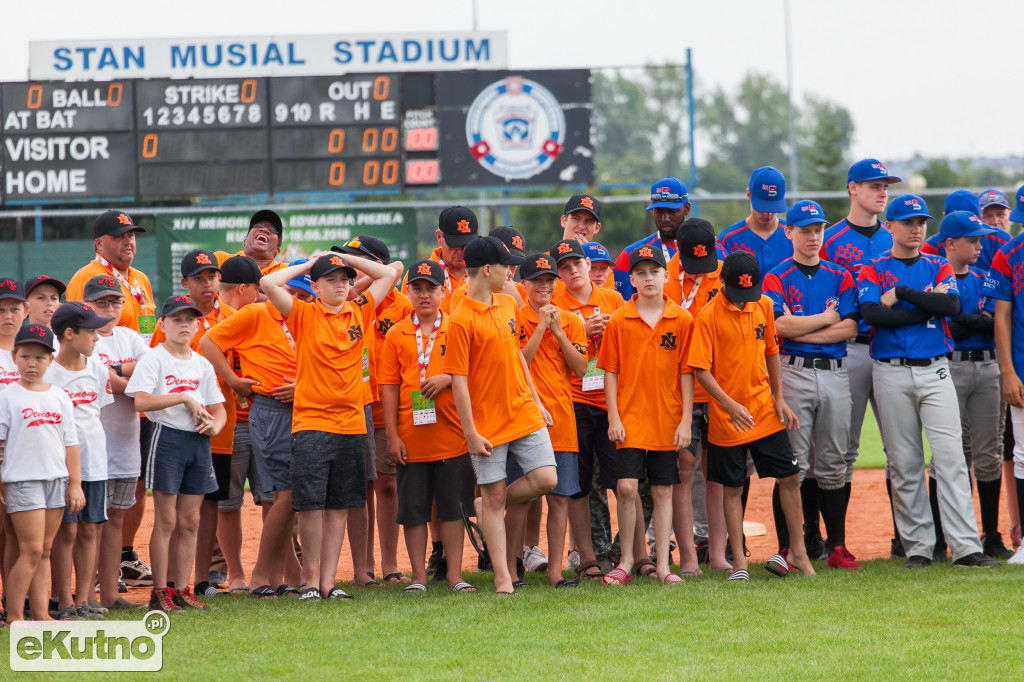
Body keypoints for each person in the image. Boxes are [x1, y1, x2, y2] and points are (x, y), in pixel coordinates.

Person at [859, 195, 997, 569]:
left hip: (936, 369)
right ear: (889, 227)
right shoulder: (871, 268)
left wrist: (902, 295)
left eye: (921, 222)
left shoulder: (938, 265)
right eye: (908, 222)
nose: (917, 228)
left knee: (950, 458)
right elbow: (873, 315)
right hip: (889, 369)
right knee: (904, 462)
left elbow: (950, 308)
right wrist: (924, 310)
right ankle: (919, 547)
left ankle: (966, 547)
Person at [259, 252, 401, 600]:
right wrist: (311, 264)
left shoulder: (360, 309)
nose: (340, 285)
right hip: (312, 422)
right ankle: (309, 581)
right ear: (316, 286)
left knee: (340, 505)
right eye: (331, 279)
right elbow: (267, 283)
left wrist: (343, 257)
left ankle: (327, 581)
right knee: (310, 505)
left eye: (344, 279)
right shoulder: (304, 313)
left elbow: (389, 273)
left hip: (352, 423)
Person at [688, 251, 814, 581]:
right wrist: (728, 405)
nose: (746, 301)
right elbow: (701, 370)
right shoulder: (707, 317)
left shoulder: (762, 306)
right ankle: (740, 565)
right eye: (739, 294)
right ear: (723, 284)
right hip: (728, 419)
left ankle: (798, 553)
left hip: (764, 410)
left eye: (750, 294)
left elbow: (772, 351)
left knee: (789, 477)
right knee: (732, 487)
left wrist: (780, 398)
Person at [443, 236, 557, 594]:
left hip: (523, 408)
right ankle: (502, 578)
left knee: (546, 480)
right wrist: (471, 432)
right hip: (486, 420)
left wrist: (536, 401)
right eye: (506, 266)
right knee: (493, 500)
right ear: (488, 270)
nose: (512, 271)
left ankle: (488, 506)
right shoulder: (459, 319)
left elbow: (517, 359)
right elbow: (458, 382)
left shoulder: (509, 303)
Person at [763, 200, 861, 570]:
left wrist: (806, 327)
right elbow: (778, 327)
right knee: (794, 464)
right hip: (794, 372)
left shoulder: (840, 274)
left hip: (836, 372)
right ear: (788, 232)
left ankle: (837, 547)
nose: (813, 236)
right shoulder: (775, 276)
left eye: (818, 229)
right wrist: (827, 318)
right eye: (805, 229)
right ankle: (789, 547)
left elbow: (851, 327)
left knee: (834, 462)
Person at [199, 265, 306, 599]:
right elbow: (207, 341)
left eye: (305, 295)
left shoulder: (306, 317)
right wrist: (232, 381)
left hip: (302, 409)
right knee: (281, 496)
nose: (298, 300)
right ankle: (257, 574)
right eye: (293, 293)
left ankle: (278, 575)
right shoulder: (258, 313)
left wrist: (302, 387)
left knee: (284, 496)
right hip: (267, 410)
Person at [65, 209, 156, 589]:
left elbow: (149, 339)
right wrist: (120, 372)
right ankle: (90, 575)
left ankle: (123, 554)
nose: (128, 242)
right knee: (94, 489)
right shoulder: (86, 278)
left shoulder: (141, 280)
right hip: (98, 407)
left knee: (132, 481)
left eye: (131, 235)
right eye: (119, 236)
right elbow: (76, 336)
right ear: (99, 243)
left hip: (139, 397)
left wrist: (133, 371)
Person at [820, 158, 902, 559]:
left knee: (898, 448)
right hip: (848, 349)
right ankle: (834, 541)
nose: (882, 191)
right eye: (873, 185)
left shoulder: (896, 236)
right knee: (843, 449)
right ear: (853, 188)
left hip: (890, 348)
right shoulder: (829, 239)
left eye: (885, 185)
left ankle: (905, 539)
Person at [599, 245, 694, 585]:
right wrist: (613, 417)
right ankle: (626, 559)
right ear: (632, 279)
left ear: (666, 276)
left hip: (667, 419)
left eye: (654, 271)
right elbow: (609, 371)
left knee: (663, 490)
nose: (648, 277)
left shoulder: (681, 319)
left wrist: (685, 421)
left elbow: (687, 373)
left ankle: (664, 566)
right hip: (630, 417)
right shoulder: (620, 320)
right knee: (626, 487)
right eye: (641, 272)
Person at [126, 295, 227, 612]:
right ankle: (161, 591)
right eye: (177, 319)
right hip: (166, 439)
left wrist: (215, 427)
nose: (184, 325)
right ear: (162, 324)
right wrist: (182, 397)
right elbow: (141, 402)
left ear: (198, 325)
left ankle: (182, 589)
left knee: (190, 521)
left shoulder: (201, 363)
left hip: (198, 443)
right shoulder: (154, 359)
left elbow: (219, 409)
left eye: (190, 320)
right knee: (167, 519)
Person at [380, 259, 476, 593]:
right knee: (414, 511)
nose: (424, 296)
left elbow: (474, 372)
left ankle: (455, 576)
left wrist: (448, 377)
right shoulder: (396, 334)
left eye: (431, 288)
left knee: (452, 510)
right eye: (417, 288)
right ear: (407, 292)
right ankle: (418, 577)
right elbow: (389, 386)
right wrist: (392, 436)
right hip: (411, 438)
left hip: (453, 436)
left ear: (443, 290)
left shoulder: (458, 327)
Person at [150, 250, 237, 597]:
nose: (207, 284)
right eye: (199, 278)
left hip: (218, 426)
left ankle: (201, 579)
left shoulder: (232, 317)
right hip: (174, 429)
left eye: (212, 277)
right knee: (171, 511)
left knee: (208, 503)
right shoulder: (171, 322)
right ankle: (170, 582)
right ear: (185, 282)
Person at [924, 212, 1009, 559]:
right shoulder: (934, 276)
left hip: (988, 366)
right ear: (951, 243)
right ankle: (940, 540)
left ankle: (991, 535)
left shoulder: (983, 277)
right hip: (950, 367)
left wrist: (965, 320)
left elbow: (991, 324)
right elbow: (944, 325)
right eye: (972, 240)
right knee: (949, 455)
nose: (979, 245)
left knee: (989, 454)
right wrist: (973, 321)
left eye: (980, 239)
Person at [334, 235, 413, 584]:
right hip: (357, 403)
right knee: (360, 487)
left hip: (392, 407)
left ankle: (391, 564)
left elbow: (394, 271)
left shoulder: (402, 304)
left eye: (356, 262)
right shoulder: (344, 301)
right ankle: (363, 567)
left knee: (388, 485)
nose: (349, 270)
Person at [550, 239, 628, 581]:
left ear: (587, 264)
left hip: (611, 399)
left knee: (623, 480)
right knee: (578, 485)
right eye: (564, 268)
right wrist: (582, 330)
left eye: (576, 264)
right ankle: (587, 556)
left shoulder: (612, 298)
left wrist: (610, 329)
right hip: (575, 398)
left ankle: (631, 553)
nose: (572, 272)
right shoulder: (554, 304)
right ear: (558, 275)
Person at [0, 324, 83, 623]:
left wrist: (75, 484)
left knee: (45, 549)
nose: (32, 363)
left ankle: (39, 613)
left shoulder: (60, 396)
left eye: (39, 357)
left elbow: (70, 444)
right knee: (32, 549)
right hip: (23, 480)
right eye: (25, 357)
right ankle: (13, 616)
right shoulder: (8, 396)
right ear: (14, 357)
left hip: (55, 480)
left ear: (50, 359)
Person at [514, 253, 588, 586]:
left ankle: (556, 572)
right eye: (537, 280)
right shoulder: (515, 318)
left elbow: (582, 368)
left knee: (560, 499)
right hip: (525, 418)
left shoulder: (571, 320)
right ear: (524, 284)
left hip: (562, 417)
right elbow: (519, 364)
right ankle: (513, 567)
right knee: (523, 498)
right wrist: (541, 326)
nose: (544, 286)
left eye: (549, 280)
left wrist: (557, 330)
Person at [665, 219, 728, 573]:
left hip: (717, 388)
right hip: (678, 390)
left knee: (716, 472)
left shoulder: (724, 272)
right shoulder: (665, 274)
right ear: (678, 249)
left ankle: (717, 554)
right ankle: (688, 557)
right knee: (683, 469)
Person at [45, 302, 114, 620]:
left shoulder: (97, 368)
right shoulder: (48, 373)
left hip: (96, 462)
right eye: (90, 331)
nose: (97, 337)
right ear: (69, 334)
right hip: (60, 466)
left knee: (90, 529)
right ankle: (64, 601)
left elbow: (96, 410)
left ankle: (86, 598)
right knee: (66, 532)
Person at [86, 275, 149, 610]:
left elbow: (153, 370)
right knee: (90, 522)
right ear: (88, 305)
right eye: (102, 302)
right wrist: (127, 376)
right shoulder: (85, 338)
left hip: (125, 444)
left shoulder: (129, 335)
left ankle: (110, 593)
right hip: (93, 448)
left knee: (115, 521)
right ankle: (85, 592)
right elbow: (104, 382)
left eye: (115, 301)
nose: (109, 308)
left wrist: (116, 372)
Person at [208, 256, 264, 593]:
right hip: (230, 422)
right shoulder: (209, 321)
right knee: (228, 503)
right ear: (244, 288)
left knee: (271, 497)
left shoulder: (254, 316)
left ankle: (258, 573)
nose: (259, 296)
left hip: (258, 415)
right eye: (256, 289)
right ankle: (236, 574)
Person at [987, 189, 1024, 565]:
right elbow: (1000, 317)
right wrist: (1008, 371)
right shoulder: (1008, 254)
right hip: (1023, 367)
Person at [613, 177, 689, 299]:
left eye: (671, 211)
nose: (665, 218)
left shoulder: (708, 251)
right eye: (658, 212)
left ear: (687, 208)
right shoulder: (630, 254)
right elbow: (621, 307)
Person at [0, 278, 26, 604]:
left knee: (18, 529)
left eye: (14, 308)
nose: (8, 315)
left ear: (26, 311)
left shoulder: (32, 353)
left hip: (27, 446)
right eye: (1, 309)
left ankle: (14, 597)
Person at [404, 206, 479, 314]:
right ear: (439, 237)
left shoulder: (484, 271)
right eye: (455, 245)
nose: (462, 252)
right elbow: (408, 316)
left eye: (467, 245)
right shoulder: (418, 274)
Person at [719, 167, 792, 276]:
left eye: (773, 207)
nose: (768, 214)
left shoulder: (793, 235)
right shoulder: (729, 239)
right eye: (762, 207)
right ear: (748, 194)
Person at [215, 209, 288, 275]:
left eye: (272, 230)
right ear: (245, 241)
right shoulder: (221, 259)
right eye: (258, 226)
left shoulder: (286, 270)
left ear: (277, 250)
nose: (265, 229)